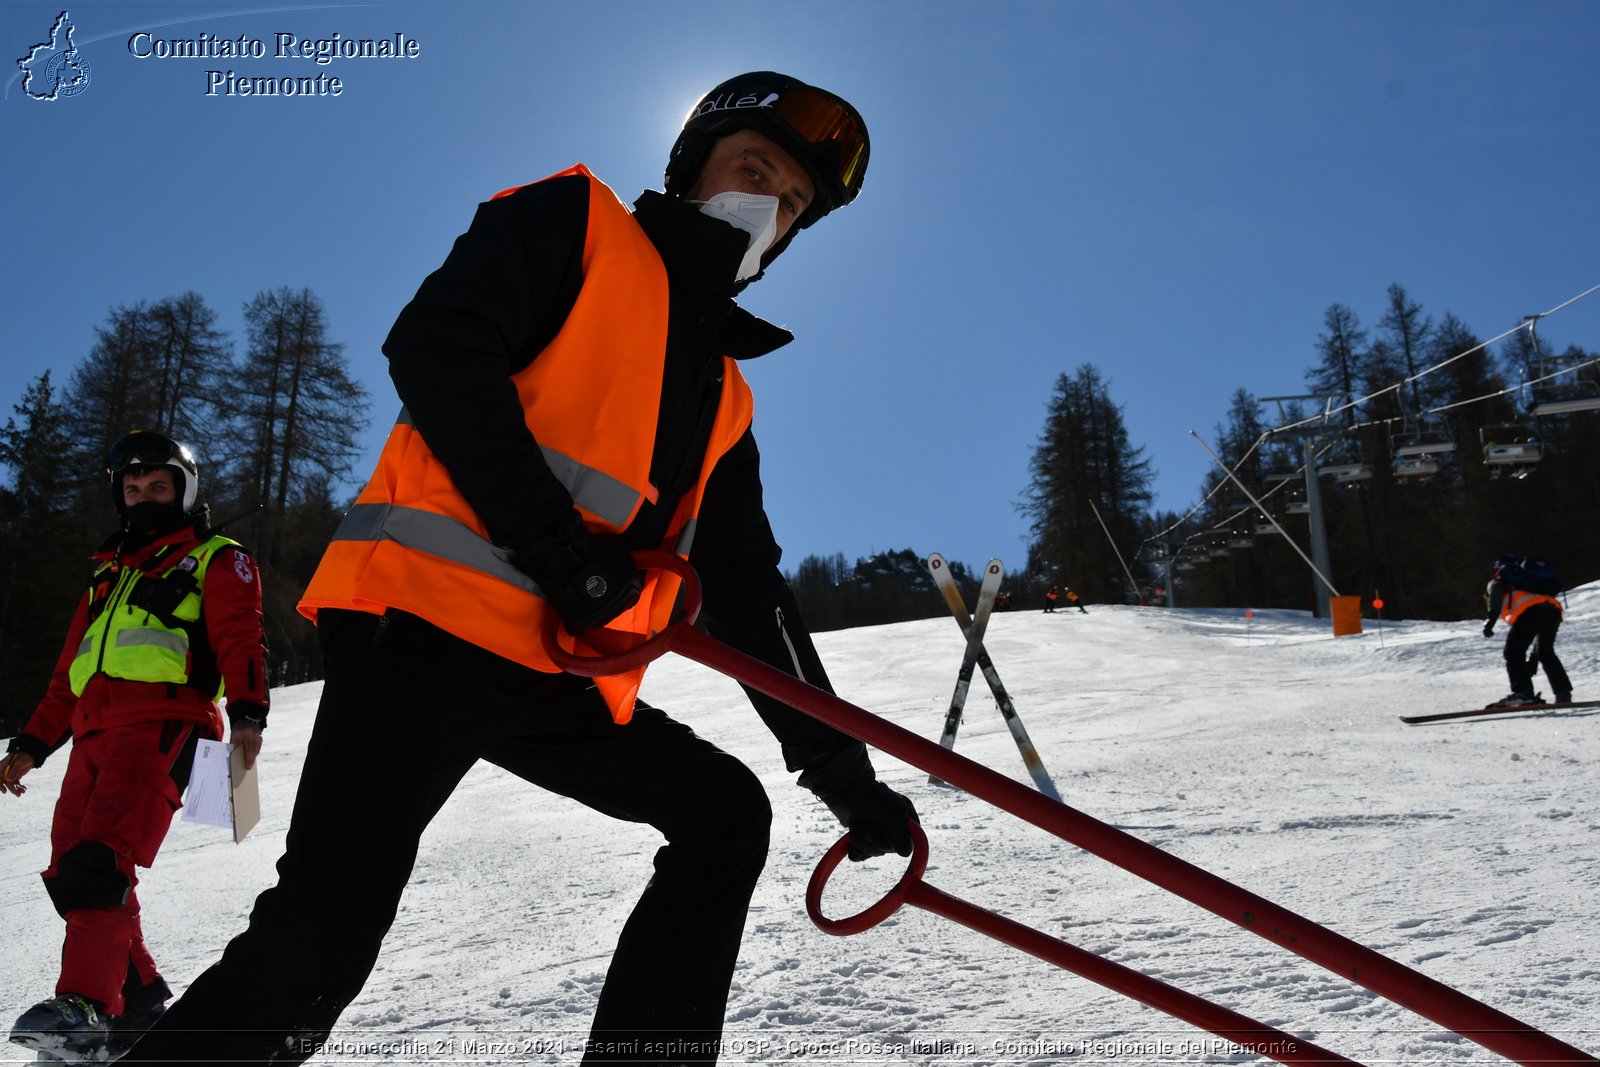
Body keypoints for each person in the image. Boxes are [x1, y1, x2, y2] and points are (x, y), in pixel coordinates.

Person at [119, 72, 916, 1067]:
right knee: (324, 930)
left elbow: (750, 591)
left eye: (793, 202)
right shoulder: (573, 224)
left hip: (548, 673)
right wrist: (557, 548)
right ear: (690, 165)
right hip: (423, 632)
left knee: (722, 814)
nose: (769, 204)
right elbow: (437, 344)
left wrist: (842, 772)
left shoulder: (724, 393)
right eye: (754, 167)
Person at [3, 431, 269, 1060]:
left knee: (100, 864)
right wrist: (33, 742)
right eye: (132, 488)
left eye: (158, 486)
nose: (144, 495)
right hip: (93, 733)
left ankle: (86, 1011)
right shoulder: (108, 572)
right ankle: (140, 1001)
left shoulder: (215, 556)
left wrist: (250, 713)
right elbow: (71, 670)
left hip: (163, 725)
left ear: (186, 489)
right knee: (72, 875)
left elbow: (240, 635)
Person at [1483, 555, 1572, 707]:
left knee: (1513, 651)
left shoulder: (1500, 581)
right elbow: (1538, 631)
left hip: (1531, 611)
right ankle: (1563, 693)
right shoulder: (1533, 587)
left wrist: (1491, 620)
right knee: (1546, 652)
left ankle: (1523, 693)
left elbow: (1496, 591)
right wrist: (1533, 658)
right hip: (1553, 609)